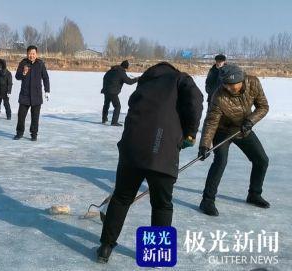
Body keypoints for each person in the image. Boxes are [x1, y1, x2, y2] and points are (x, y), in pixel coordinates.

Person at [97, 62, 203, 263]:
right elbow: (196, 100)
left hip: (131, 149)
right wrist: (190, 132)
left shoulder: (144, 83)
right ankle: (156, 254)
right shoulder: (180, 78)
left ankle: (105, 247)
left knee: (121, 198)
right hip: (161, 150)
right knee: (161, 204)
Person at [198, 64, 270, 216]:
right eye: (226, 85)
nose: (230, 88)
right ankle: (207, 201)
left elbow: (263, 107)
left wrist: (250, 121)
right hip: (222, 131)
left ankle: (254, 194)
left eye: (233, 85)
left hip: (243, 128)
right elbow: (211, 122)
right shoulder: (218, 96)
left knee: (261, 160)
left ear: (241, 80)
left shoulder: (253, 83)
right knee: (220, 161)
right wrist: (204, 145)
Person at [14, 45, 50, 141]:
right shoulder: (23, 63)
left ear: (36, 54)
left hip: (36, 95)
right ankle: (19, 133)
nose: (31, 55)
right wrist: (23, 73)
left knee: (35, 117)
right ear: (27, 54)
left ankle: (34, 134)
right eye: (30, 53)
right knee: (21, 116)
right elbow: (17, 76)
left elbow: (45, 78)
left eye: (33, 53)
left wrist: (47, 91)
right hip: (25, 95)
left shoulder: (40, 64)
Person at [101, 60, 138, 126]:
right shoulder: (121, 72)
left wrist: (105, 88)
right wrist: (137, 79)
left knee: (106, 104)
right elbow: (129, 81)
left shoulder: (111, 70)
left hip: (106, 90)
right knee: (117, 106)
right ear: (125, 67)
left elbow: (105, 78)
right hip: (113, 92)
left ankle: (104, 119)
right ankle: (114, 122)